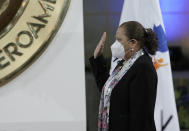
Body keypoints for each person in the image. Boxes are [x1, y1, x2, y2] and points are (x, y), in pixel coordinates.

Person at [89, 21, 158, 131]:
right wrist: (97, 58)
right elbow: (108, 90)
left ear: (133, 43)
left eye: (119, 40)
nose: (114, 44)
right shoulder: (124, 63)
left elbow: (141, 117)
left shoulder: (143, 67)